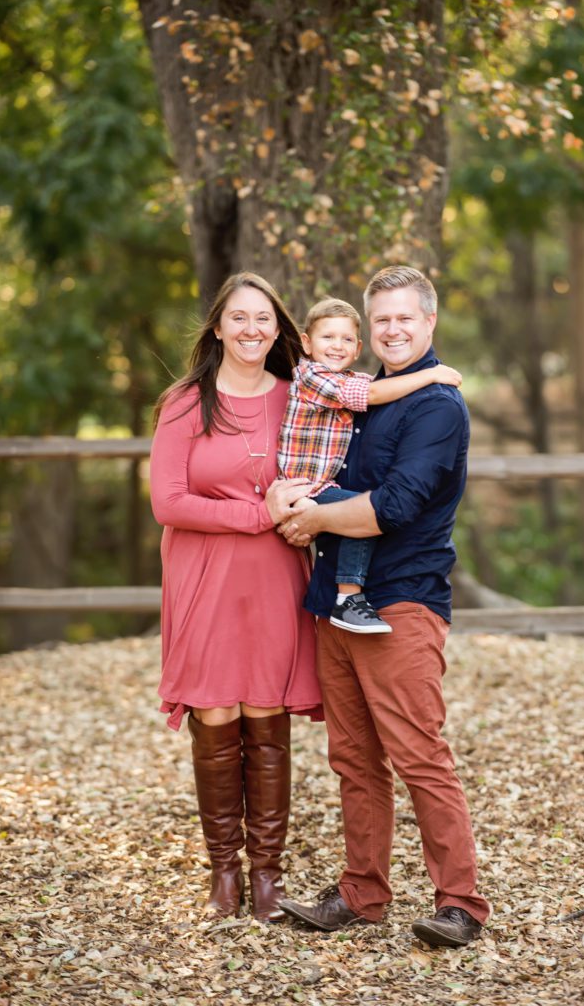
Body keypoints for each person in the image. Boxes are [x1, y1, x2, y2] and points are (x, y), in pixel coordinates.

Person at [278, 266, 491, 947]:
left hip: (399, 602)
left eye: (406, 318)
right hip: (333, 599)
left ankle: (460, 904)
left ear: (429, 322)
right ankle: (361, 893)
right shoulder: (361, 396)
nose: (393, 329)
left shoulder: (437, 407)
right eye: (383, 320)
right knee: (353, 757)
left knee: (418, 754)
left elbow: (395, 507)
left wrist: (312, 518)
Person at [149, 271, 323, 924]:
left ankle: (268, 878)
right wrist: (255, 515)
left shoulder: (298, 399)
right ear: (218, 327)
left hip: (275, 578)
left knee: (266, 712)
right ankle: (224, 875)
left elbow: (324, 470)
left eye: (264, 319)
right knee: (216, 714)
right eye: (239, 318)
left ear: (279, 330)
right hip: (202, 578)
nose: (252, 330)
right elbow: (167, 502)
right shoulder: (185, 403)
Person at [277, 296, 462, 635]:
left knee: (363, 509)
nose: (337, 346)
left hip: (405, 592)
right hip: (306, 486)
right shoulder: (313, 376)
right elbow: (372, 395)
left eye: (346, 339)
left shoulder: (434, 406)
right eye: (327, 337)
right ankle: (349, 596)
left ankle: (348, 594)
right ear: (306, 342)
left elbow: (390, 507)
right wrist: (431, 374)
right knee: (356, 506)